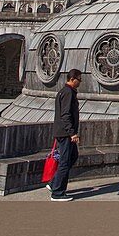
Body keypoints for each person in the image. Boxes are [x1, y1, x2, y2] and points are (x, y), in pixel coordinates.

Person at [49, 68, 82, 201]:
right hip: (65, 133)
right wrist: (72, 133)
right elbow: (65, 115)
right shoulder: (68, 93)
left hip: (63, 132)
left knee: (73, 156)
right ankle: (57, 193)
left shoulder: (65, 91)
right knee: (65, 161)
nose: (80, 82)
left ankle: (54, 183)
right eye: (79, 80)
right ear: (72, 79)